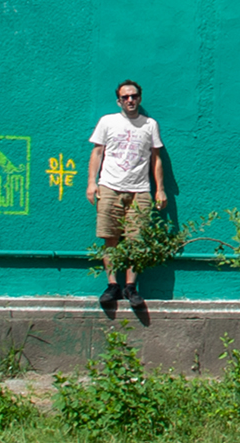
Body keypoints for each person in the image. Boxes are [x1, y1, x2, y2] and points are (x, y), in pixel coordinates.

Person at [87, 80, 167, 308]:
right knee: (110, 237)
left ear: (140, 98)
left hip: (139, 191)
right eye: (125, 97)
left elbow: (156, 158)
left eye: (134, 96)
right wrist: (91, 183)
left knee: (136, 240)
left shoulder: (150, 124)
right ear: (119, 101)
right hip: (109, 187)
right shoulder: (107, 121)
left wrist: (160, 189)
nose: (130, 100)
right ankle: (112, 285)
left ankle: (131, 286)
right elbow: (97, 152)